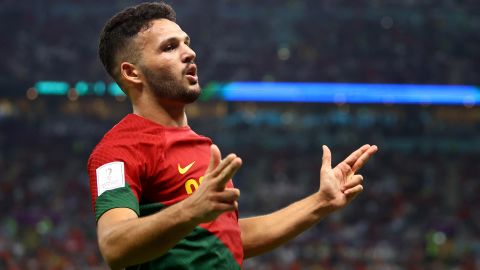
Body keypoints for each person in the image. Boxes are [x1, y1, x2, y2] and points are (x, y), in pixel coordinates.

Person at [87, 2, 378, 269]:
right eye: (169, 47)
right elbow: (114, 244)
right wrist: (192, 209)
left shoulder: (202, 146)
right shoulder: (117, 149)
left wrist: (319, 203)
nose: (189, 53)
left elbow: (225, 239)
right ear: (132, 73)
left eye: (186, 43)